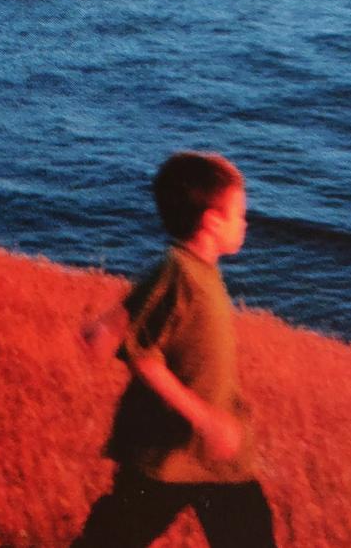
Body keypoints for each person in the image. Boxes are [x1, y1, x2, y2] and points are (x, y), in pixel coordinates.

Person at [73, 152, 276, 547]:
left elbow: (133, 313)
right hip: (171, 452)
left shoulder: (187, 268)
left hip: (211, 458)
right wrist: (205, 420)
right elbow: (142, 357)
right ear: (212, 222)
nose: (246, 223)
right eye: (239, 214)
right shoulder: (181, 273)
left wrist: (103, 330)